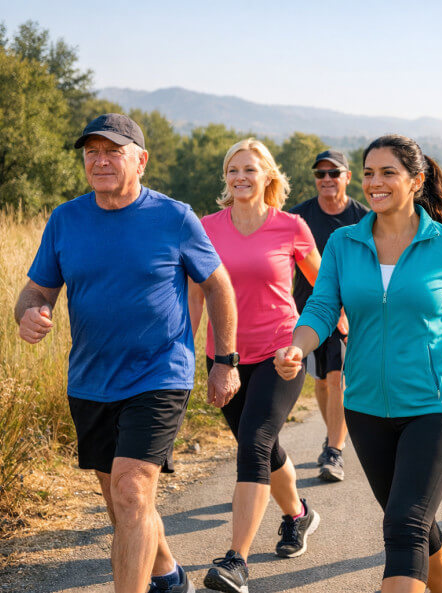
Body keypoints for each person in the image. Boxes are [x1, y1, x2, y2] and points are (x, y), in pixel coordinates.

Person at [274, 134, 442, 593]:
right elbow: (322, 308)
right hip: (365, 407)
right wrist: (298, 346)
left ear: (416, 181)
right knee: (410, 516)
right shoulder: (344, 243)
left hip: (438, 406)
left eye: (388, 172)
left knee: (404, 524)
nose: (375, 182)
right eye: (369, 173)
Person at [16, 113, 240, 593]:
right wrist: (30, 312)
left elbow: (218, 286)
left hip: (160, 373)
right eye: (91, 152)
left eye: (112, 152)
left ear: (140, 160)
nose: (99, 161)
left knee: (132, 490)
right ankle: (167, 574)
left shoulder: (174, 217)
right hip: (91, 379)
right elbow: (37, 289)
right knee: (122, 503)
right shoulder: (65, 219)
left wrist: (225, 361)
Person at [188, 138, 322, 593]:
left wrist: (328, 329)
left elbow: (324, 288)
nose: (240, 177)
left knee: (255, 442)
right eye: (233, 170)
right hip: (225, 356)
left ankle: (237, 562)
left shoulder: (291, 226)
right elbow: (195, 294)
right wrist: (186, 350)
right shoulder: (206, 228)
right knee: (262, 445)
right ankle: (298, 515)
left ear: (268, 176)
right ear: (225, 178)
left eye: (249, 169)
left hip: (279, 354)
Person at [289, 149, 369, 482]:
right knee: (321, 381)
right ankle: (332, 435)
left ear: (347, 177)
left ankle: (335, 450)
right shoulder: (299, 217)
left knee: (337, 378)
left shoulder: (364, 218)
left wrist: (350, 309)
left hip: (348, 311)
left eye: (333, 173)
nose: (326, 179)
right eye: (320, 174)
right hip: (308, 310)